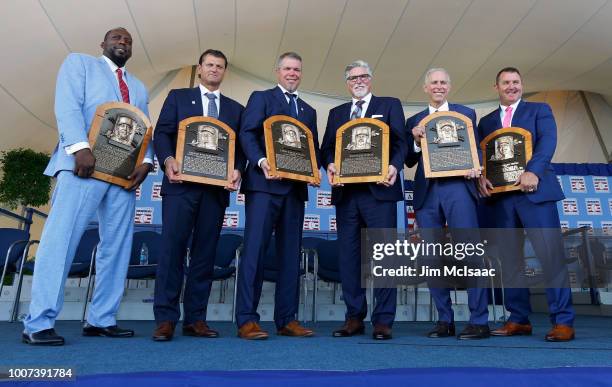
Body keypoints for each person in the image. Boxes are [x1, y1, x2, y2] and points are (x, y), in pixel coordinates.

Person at [22, 27, 153, 345]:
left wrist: (147, 161)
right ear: (103, 44)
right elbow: (66, 105)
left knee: (117, 247)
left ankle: (101, 319)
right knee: (61, 240)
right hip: (82, 166)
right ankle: (38, 323)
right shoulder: (79, 64)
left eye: (128, 41)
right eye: (116, 38)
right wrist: (79, 147)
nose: (123, 43)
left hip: (122, 175)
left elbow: (144, 127)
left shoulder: (137, 86)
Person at [152, 49, 244, 341]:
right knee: (172, 251)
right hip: (181, 187)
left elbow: (240, 149)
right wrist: (167, 160)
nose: (214, 70)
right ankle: (165, 318)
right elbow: (162, 134)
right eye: (210, 65)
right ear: (200, 69)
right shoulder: (178, 97)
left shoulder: (235, 109)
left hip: (215, 193)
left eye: (220, 66)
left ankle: (196, 319)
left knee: (205, 254)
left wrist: (238, 170)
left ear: (224, 72)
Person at [478, 67, 575, 342]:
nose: (512, 86)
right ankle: (518, 319)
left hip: (536, 193)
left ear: (522, 85)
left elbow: (548, 141)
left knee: (551, 257)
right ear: (496, 87)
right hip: (502, 200)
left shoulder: (539, 110)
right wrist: (482, 178)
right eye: (506, 82)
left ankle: (563, 321)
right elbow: (482, 156)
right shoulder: (485, 122)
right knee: (510, 262)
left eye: (516, 82)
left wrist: (533, 170)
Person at [236, 52, 320, 339]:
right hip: (263, 186)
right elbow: (247, 134)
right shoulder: (261, 98)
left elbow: (313, 150)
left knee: (290, 256)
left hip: (295, 191)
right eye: (287, 68)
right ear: (277, 71)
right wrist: (261, 161)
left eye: (297, 69)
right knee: (255, 252)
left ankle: (287, 319)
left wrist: (315, 171)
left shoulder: (309, 110)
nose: (292, 73)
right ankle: (247, 319)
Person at [321, 60, 407, 340]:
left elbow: (401, 143)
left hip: (379, 192)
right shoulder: (336, 113)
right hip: (347, 194)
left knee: (385, 256)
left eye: (363, 76)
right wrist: (331, 164)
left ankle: (383, 320)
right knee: (348, 258)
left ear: (371, 79)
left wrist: (394, 165)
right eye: (353, 77)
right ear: (347, 82)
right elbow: (326, 149)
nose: (358, 80)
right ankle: (354, 317)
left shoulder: (390, 104)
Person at [405, 68, 489, 340]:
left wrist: (476, 167)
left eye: (443, 82)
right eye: (434, 83)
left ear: (449, 87)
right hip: (428, 192)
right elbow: (408, 159)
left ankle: (479, 321)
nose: (438, 86)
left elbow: (474, 147)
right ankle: (445, 320)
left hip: (458, 188)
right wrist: (416, 140)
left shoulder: (466, 113)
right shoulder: (414, 119)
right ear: (425, 88)